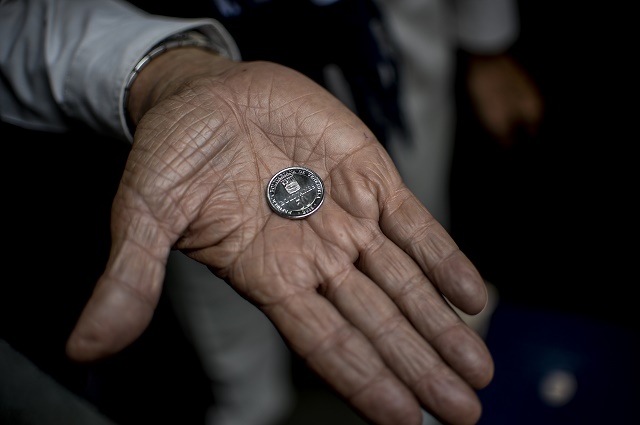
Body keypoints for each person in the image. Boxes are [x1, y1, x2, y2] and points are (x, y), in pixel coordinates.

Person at [0, 1, 494, 425]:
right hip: (212, 166)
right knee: (233, 326)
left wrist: (488, 42)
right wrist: (169, 75)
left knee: (413, 258)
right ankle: (248, 405)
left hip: (391, 75)